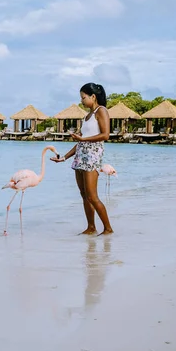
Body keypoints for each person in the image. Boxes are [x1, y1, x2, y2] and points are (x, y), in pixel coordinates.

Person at [51, 83, 114, 236]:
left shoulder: (102, 111)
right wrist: (64, 157)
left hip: (92, 156)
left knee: (92, 196)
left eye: (83, 97)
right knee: (84, 194)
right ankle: (91, 227)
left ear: (93, 96)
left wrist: (83, 139)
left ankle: (108, 229)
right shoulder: (87, 116)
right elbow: (80, 141)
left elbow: (105, 135)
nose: (82, 101)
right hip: (80, 156)